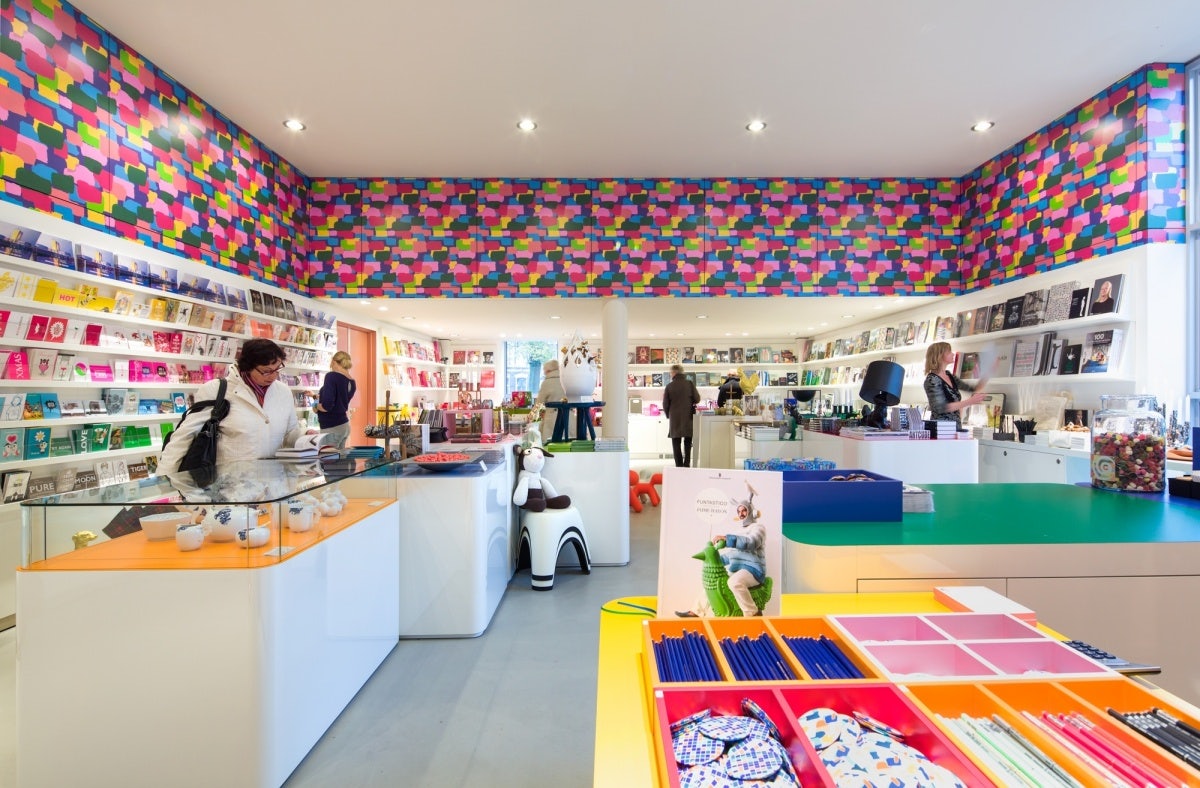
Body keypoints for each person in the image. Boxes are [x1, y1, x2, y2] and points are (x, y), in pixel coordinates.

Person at [159, 338, 306, 474]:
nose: (274, 376)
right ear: (247, 367)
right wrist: (164, 479)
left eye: (278, 369)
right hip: (231, 485)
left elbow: (290, 433)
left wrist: (305, 437)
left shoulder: (283, 392)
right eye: (266, 371)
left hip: (273, 481)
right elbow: (185, 435)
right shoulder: (216, 390)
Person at [714, 481, 766, 617]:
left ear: (750, 511)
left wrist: (728, 539)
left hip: (753, 570)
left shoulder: (758, 528)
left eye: (744, 510)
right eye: (739, 511)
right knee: (716, 580)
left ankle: (753, 613)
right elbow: (734, 554)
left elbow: (751, 543)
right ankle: (696, 611)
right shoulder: (737, 530)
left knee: (734, 582)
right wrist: (715, 559)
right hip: (738, 568)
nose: (741, 513)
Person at [922, 341, 988, 428]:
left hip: (955, 427)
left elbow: (972, 388)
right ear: (940, 355)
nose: (953, 354)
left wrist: (988, 372)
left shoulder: (950, 376)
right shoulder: (931, 379)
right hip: (941, 429)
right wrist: (970, 401)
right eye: (949, 352)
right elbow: (941, 407)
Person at [316, 351, 357, 449]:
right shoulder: (351, 381)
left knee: (328, 460)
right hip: (344, 425)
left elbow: (327, 406)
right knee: (340, 460)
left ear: (334, 362)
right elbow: (339, 401)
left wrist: (316, 406)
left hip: (331, 427)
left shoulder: (331, 376)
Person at [661, 364, 699, 467]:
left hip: (675, 418)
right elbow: (697, 399)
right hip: (689, 417)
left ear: (674, 373)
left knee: (676, 442)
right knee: (688, 442)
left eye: (670, 373)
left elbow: (665, 404)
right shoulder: (690, 384)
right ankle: (686, 464)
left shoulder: (669, 386)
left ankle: (679, 465)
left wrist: (669, 415)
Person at [534, 359, 565, 439]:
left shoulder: (547, 383)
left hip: (553, 420)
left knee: (552, 447)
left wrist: (530, 419)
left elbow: (539, 405)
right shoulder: (566, 380)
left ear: (548, 371)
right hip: (570, 419)